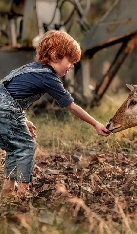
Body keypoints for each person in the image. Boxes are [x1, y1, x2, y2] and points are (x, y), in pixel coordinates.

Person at [0, 30, 111, 198]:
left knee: (15, 147)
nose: (71, 66)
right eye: (70, 61)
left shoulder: (30, 69)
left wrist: (22, 119)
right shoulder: (48, 78)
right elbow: (72, 106)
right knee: (27, 146)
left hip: (6, 110)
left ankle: (7, 191)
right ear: (55, 55)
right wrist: (96, 124)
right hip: (6, 112)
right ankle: (22, 193)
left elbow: (11, 96)